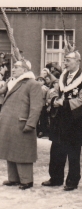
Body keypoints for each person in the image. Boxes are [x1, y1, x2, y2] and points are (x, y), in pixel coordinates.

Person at [0, 8, 43, 190]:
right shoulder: (13, 81)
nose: (14, 68)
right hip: (9, 123)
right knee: (10, 151)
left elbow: (36, 106)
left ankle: (26, 180)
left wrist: (31, 124)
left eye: (17, 67)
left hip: (22, 123)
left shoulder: (32, 83)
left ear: (24, 70)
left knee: (23, 154)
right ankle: (14, 178)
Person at [41, 41, 82, 191]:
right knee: (56, 148)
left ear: (77, 61)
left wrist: (63, 104)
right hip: (60, 119)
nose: (65, 63)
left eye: (68, 60)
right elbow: (55, 91)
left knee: (73, 151)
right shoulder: (63, 76)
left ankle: (72, 180)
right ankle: (55, 178)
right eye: (64, 60)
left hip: (75, 120)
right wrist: (54, 100)